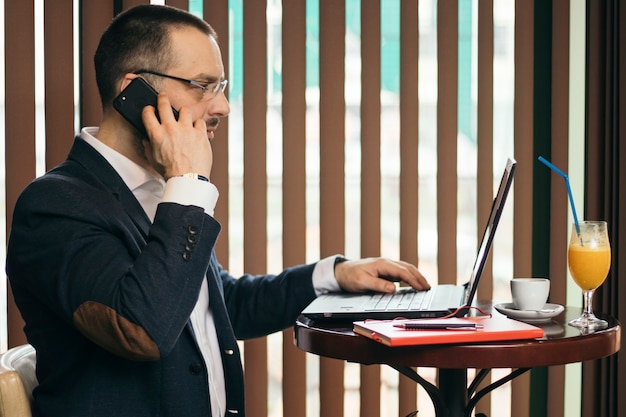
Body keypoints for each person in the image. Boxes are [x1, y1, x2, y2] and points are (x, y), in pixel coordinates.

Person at [5, 5, 430, 417]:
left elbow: (217, 304)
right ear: (134, 90)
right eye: (202, 85)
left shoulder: (164, 190)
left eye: (221, 87)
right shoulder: (55, 206)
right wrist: (188, 184)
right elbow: (143, 328)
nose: (223, 107)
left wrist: (332, 276)